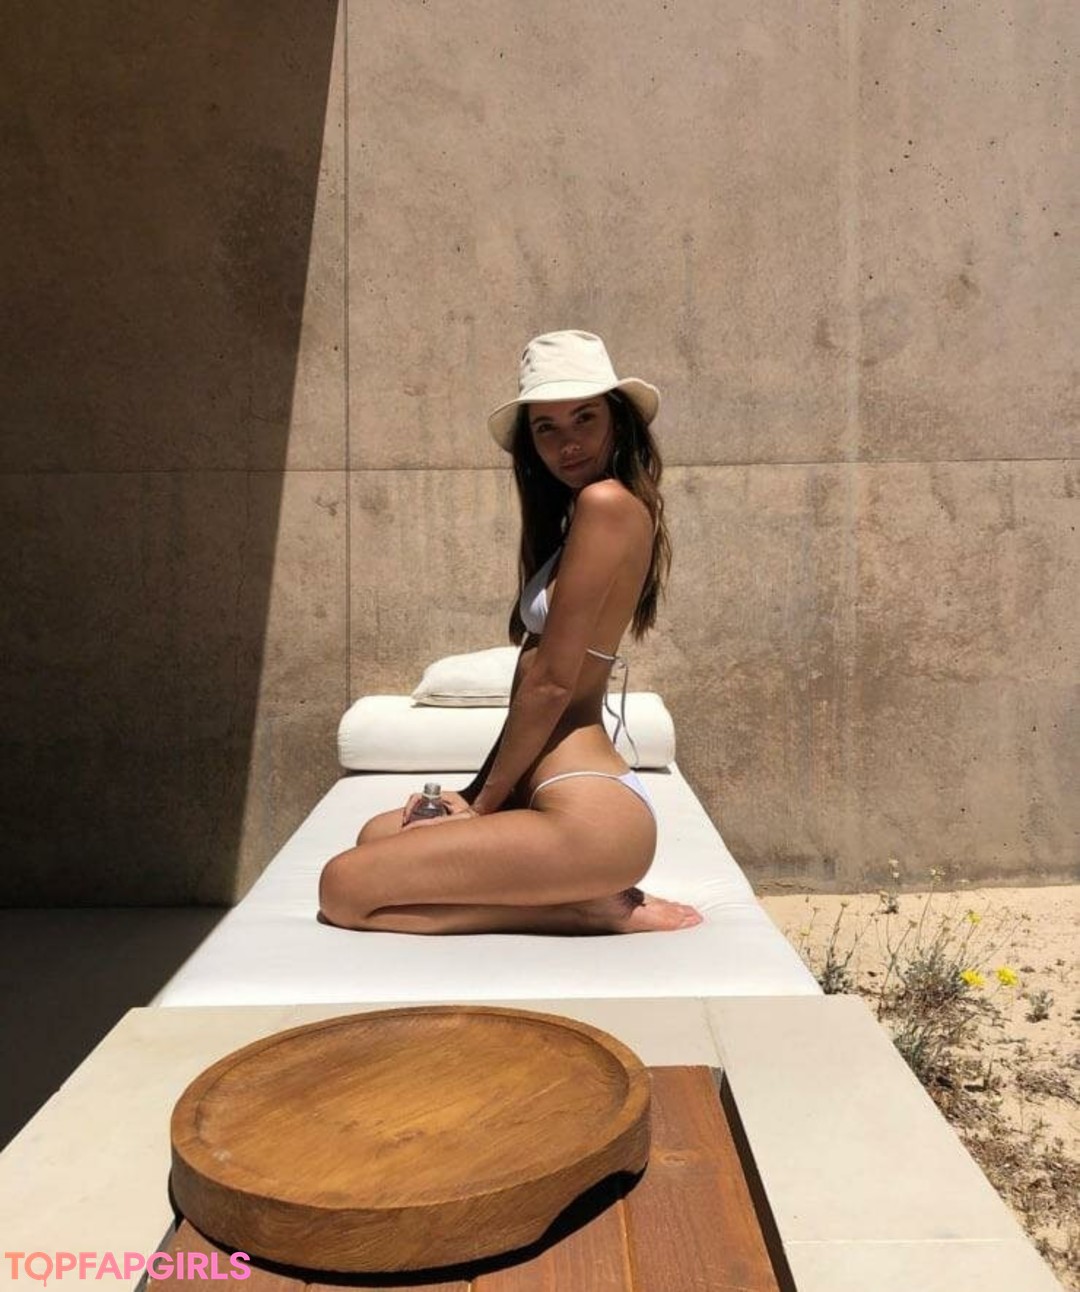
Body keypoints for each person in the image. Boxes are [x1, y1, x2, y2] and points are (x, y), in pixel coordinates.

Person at [319, 330, 704, 934]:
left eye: (585, 417)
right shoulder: (584, 514)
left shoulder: (606, 502)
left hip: (587, 810)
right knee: (377, 836)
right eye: (546, 427)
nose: (567, 442)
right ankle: (578, 898)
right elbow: (534, 683)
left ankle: (584, 908)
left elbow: (551, 684)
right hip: (553, 791)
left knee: (342, 889)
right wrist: (474, 789)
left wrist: (481, 807)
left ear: (618, 420)